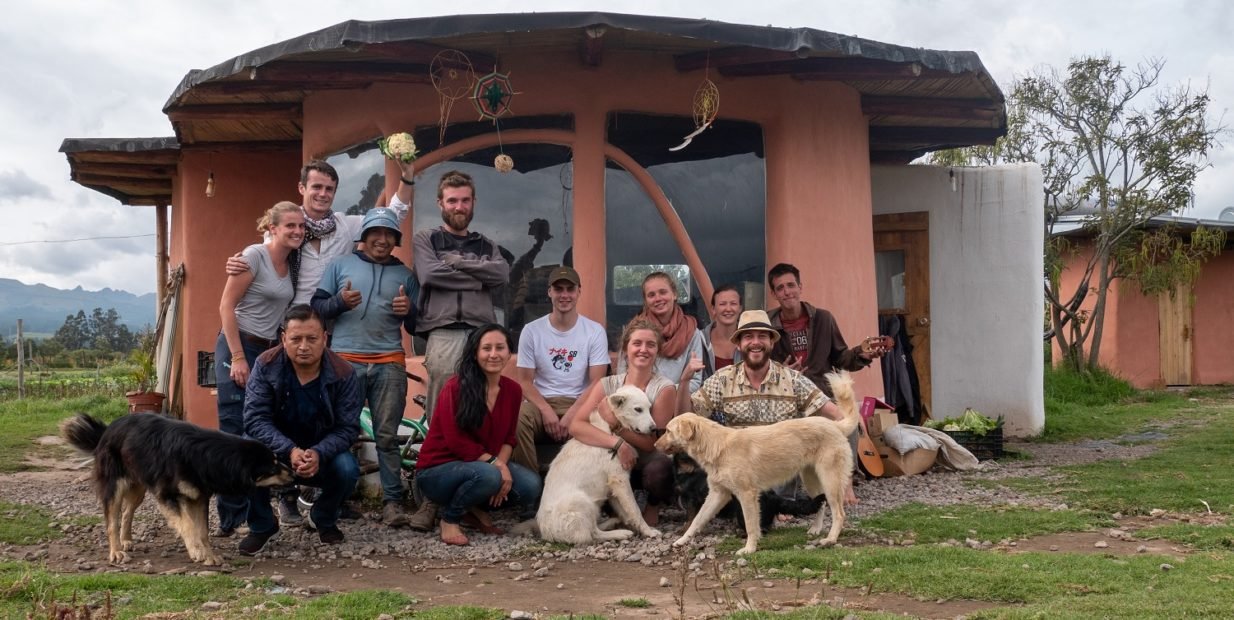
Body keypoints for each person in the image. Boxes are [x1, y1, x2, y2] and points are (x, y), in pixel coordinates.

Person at [226, 158, 413, 525]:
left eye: (329, 188)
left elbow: (389, 215)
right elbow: (265, 253)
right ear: (302, 189)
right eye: (316, 187)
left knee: (338, 425)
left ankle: (335, 497)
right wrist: (239, 260)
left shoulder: (347, 225)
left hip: (328, 337)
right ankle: (279, 500)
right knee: (282, 419)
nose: (323, 194)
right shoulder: (289, 228)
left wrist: (405, 175)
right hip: (291, 335)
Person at [310, 207, 419, 527]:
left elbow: (416, 326)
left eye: (389, 234)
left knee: (387, 435)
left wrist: (408, 311)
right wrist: (340, 303)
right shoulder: (340, 265)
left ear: (396, 239)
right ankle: (336, 499)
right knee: (340, 432)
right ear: (364, 237)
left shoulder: (406, 275)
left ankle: (392, 503)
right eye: (376, 233)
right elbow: (317, 308)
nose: (382, 240)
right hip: (344, 361)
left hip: (389, 361)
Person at [686, 309, 858, 505]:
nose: (756, 342)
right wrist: (684, 382)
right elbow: (688, 418)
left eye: (762, 336)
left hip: (778, 472)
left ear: (771, 342)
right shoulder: (722, 379)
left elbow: (841, 420)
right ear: (739, 344)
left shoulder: (792, 380)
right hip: (739, 474)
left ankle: (780, 503)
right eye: (748, 336)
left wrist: (845, 479)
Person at [239, 305, 362, 554]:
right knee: (244, 454)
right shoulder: (266, 364)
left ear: (324, 338)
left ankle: (323, 517)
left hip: (322, 452)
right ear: (284, 338)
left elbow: (347, 428)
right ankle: (262, 525)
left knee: (348, 469)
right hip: (276, 448)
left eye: (312, 338)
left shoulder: (344, 373)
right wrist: (290, 450)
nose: (303, 346)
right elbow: (254, 419)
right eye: (296, 339)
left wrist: (317, 452)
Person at [213, 201, 303, 538]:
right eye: (289, 226)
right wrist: (238, 357)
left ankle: (257, 516)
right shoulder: (253, 256)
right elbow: (226, 306)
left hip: (268, 351)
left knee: (260, 432)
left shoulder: (292, 261)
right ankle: (230, 519)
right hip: (239, 344)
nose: (296, 231)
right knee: (235, 431)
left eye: (300, 227)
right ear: (274, 228)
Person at [414, 325, 542, 546]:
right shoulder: (455, 387)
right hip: (438, 471)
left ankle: (471, 507)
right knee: (489, 476)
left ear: (508, 352)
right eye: (486, 348)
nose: (493, 354)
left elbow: (509, 438)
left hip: (482, 467)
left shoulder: (512, 390)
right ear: (475, 353)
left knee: (530, 485)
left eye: (500, 348)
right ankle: (450, 518)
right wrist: (498, 466)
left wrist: (501, 464)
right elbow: (456, 442)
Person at [567, 318, 677, 526]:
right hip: (615, 459)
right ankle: (614, 510)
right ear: (626, 349)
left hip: (647, 459)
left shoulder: (664, 388)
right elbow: (576, 426)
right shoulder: (608, 385)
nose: (643, 349)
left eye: (650, 345)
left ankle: (653, 505)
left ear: (657, 351)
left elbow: (653, 442)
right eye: (637, 343)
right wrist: (617, 444)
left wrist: (615, 425)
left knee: (660, 469)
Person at [510, 266, 609, 473]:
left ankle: (585, 485)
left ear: (578, 292)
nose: (564, 295)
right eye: (558, 289)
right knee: (517, 418)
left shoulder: (594, 331)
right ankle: (531, 484)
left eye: (569, 289)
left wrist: (574, 413)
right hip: (541, 402)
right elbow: (525, 382)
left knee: (601, 423)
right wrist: (546, 411)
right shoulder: (532, 331)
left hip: (579, 402)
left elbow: (597, 382)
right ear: (549, 292)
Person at [766, 263, 885, 393]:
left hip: (822, 399)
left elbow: (841, 359)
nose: (787, 292)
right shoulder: (766, 325)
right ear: (773, 294)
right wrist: (780, 373)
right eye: (780, 288)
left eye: (791, 285)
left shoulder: (823, 319)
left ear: (800, 287)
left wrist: (861, 355)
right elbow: (756, 367)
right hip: (784, 399)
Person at [617, 272, 705, 412]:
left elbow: (695, 381)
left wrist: (663, 393)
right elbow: (621, 376)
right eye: (651, 295)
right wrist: (643, 396)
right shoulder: (634, 330)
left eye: (663, 292)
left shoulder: (692, 332)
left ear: (674, 294)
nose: (658, 298)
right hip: (637, 406)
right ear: (645, 301)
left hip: (676, 407)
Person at [700, 284, 743, 374]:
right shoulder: (699, 340)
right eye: (722, 304)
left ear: (740, 308)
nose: (728, 309)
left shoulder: (750, 340)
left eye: (733, 304)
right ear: (713, 309)